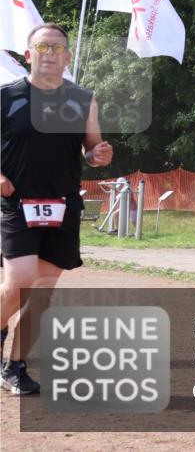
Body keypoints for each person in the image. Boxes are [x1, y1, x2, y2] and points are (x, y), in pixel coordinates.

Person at [1, 23, 113, 394]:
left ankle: (14, 367)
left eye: (58, 47)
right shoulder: (6, 96)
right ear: (29, 55)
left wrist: (98, 155)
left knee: (43, 290)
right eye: (43, 47)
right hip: (16, 203)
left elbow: (92, 149)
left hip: (62, 205)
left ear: (67, 57)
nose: (50, 53)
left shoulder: (83, 100)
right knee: (19, 280)